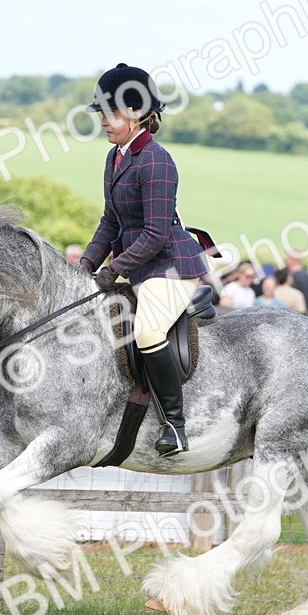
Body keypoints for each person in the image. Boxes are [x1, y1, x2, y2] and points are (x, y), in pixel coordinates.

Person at [78, 63, 210, 457]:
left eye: (110, 114)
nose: (103, 122)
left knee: (149, 332)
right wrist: (85, 265)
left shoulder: (156, 160)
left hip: (170, 266)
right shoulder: (115, 157)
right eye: (102, 114)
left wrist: (114, 270)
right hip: (140, 265)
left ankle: (175, 425)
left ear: (135, 114)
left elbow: (155, 234)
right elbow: (110, 221)